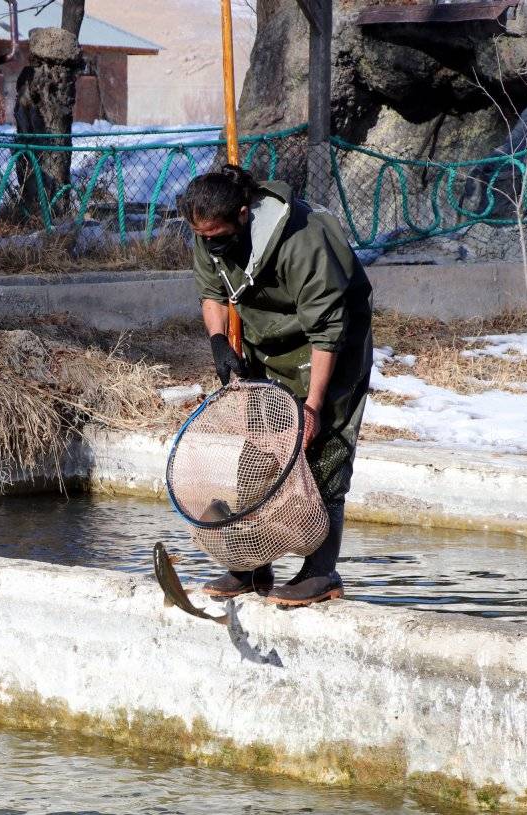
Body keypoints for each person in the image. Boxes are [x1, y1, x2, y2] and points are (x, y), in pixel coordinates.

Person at [179, 164, 373, 607]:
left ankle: (321, 572)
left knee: (321, 452)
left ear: (244, 214)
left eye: (216, 234)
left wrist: (313, 407)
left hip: (330, 348)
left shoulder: (305, 242)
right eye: (201, 235)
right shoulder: (208, 232)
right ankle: (251, 565)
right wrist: (217, 344)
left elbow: (328, 332)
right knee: (258, 452)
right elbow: (212, 292)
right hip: (266, 343)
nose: (209, 243)